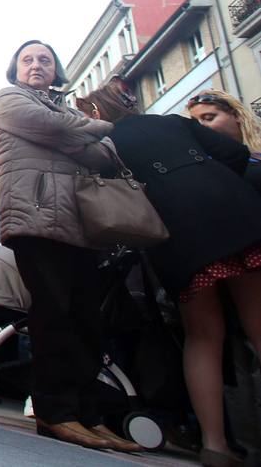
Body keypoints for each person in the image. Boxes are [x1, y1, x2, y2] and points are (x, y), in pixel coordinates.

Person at [79, 84, 261, 467]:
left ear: (95, 112)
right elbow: (236, 154)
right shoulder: (173, 122)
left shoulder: (104, 144)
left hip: (177, 233)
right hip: (233, 212)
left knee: (203, 335)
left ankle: (215, 445)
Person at [0, 40, 139, 452]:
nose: (37, 65)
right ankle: (55, 412)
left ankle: (88, 415)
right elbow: (51, 127)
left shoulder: (68, 110)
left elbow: (106, 157)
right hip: (35, 218)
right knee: (54, 314)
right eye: (28, 59)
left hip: (81, 223)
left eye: (45, 59)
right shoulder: (7, 98)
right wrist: (99, 128)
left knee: (88, 320)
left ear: (57, 70)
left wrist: (78, 134)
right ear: (15, 69)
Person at [188, 89, 261, 192]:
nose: (201, 126)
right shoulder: (207, 169)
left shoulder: (255, 154)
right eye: (196, 123)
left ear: (236, 115)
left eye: (209, 118)